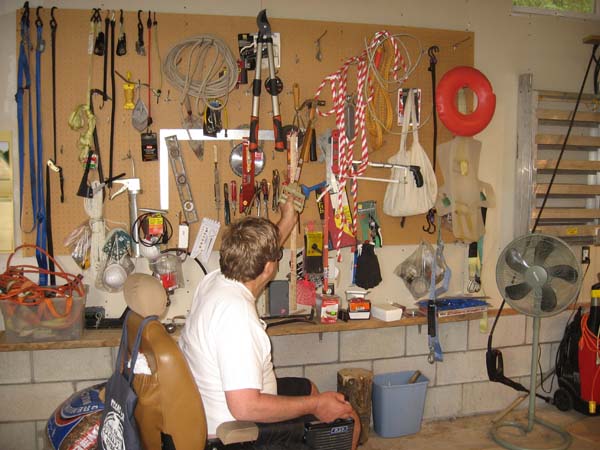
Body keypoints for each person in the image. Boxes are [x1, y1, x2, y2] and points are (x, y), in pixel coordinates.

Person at [179, 198, 360, 449]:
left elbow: (262, 250)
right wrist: (317, 406)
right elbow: (245, 407)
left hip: (213, 406)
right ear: (268, 268)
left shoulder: (216, 279)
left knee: (308, 388)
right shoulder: (238, 318)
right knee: (347, 419)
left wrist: (288, 219)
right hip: (236, 434)